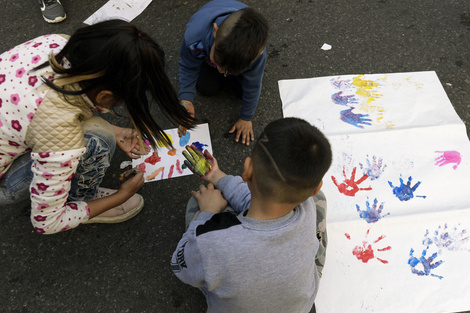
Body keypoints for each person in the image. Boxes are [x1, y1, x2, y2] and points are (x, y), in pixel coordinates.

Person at [0, 20, 195, 234]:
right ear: (105, 96)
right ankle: (82, 198)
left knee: (92, 128)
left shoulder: (58, 43)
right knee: (98, 137)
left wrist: (118, 130)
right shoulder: (58, 127)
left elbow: (52, 114)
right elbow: (46, 223)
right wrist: (120, 196)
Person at [171, 117, 332, 313]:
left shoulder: (211, 243)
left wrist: (207, 214)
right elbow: (258, 199)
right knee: (316, 204)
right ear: (315, 189)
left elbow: (179, 265)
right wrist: (216, 175)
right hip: (299, 306)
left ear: (247, 169)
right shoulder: (307, 206)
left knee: (195, 205)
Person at [178, 0, 269, 146]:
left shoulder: (257, 55)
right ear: (215, 31)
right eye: (219, 64)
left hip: (232, 55)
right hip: (210, 40)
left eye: (226, 70)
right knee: (205, 89)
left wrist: (246, 118)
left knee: (241, 94)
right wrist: (186, 99)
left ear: (259, 53)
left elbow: (253, 84)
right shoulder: (194, 37)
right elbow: (188, 66)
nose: (221, 71)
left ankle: (227, 68)